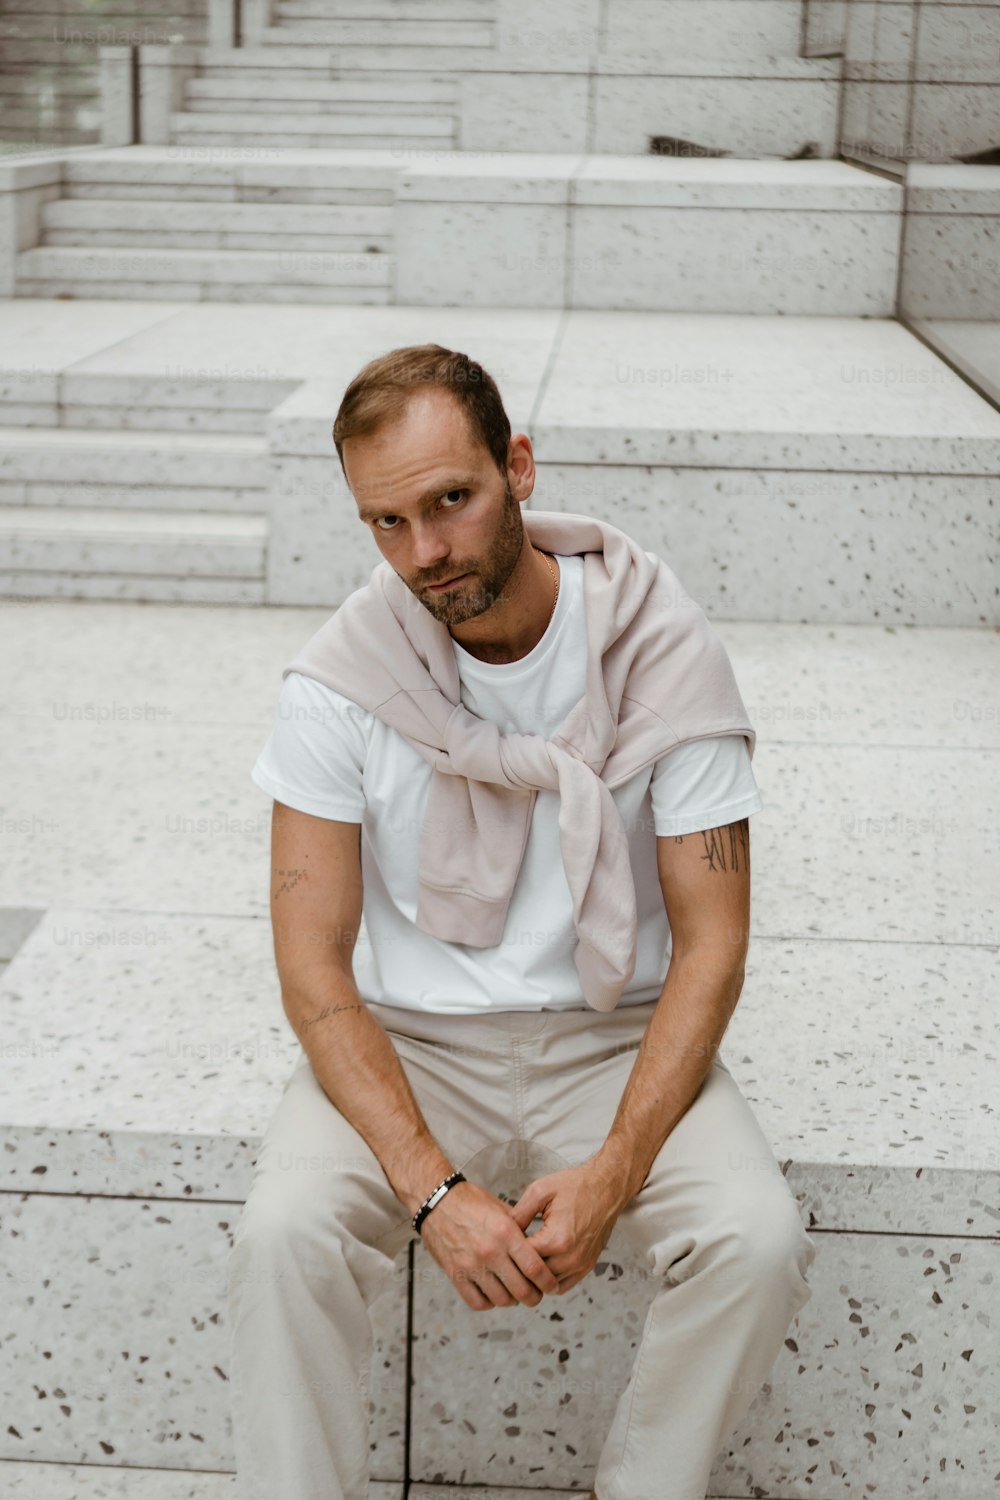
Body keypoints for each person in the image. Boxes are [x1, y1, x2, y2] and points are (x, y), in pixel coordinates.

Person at [226, 344, 816, 1500]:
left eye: (452, 499)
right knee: (282, 1235)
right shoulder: (339, 681)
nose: (426, 554)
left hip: (612, 1037)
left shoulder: (661, 650)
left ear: (520, 467)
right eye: (386, 522)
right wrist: (433, 1192)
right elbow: (312, 966)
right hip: (412, 1045)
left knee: (754, 1239)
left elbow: (712, 943)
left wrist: (616, 1169)